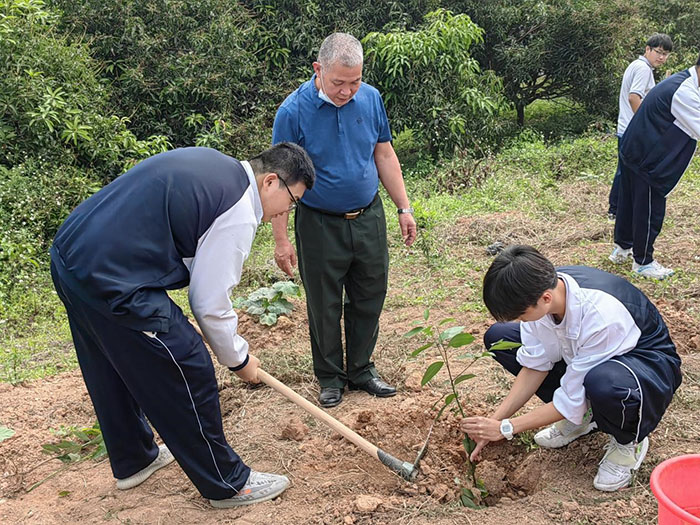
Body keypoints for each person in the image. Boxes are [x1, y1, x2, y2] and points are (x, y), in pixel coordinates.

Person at [50, 144, 315, 507]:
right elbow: (208, 303)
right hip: (112, 276)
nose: (286, 212)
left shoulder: (215, 166)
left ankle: (134, 459)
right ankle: (228, 483)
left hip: (70, 254)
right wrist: (238, 359)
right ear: (271, 181)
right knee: (187, 360)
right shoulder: (238, 210)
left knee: (111, 360)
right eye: (292, 200)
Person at [271, 32, 417, 408]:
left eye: (355, 81)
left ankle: (362, 370)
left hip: (368, 216)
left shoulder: (370, 99)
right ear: (318, 69)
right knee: (324, 303)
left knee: (370, 294)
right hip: (319, 223)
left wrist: (403, 207)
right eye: (339, 82)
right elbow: (279, 181)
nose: (347, 91)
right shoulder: (292, 112)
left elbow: (383, 153)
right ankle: (330, 377)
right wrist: (281, 239)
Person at [460, 245, 681, 492]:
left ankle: (629, 441)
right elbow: (535, 366)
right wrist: (494, 421)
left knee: (605, 384)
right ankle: (584, 419)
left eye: (521, 316)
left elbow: (570, 396)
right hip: (587, 354)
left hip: (643, 366)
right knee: (500, 338)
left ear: (545, 298)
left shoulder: (601, 316)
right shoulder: (541, 291)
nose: (521, 321)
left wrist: (506, 429)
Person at [609, 52, 700, 279]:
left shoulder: (682, 82)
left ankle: (622, 249)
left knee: (629, 203)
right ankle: (643, 262)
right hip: (649, 161)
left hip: (635, 150)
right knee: (649, 211)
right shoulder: (685, 93)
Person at [607, 33, 673, 221]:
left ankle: (617, 208)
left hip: (627, 127)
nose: (661, 57)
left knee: (625, 169)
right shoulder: (643, 69)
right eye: (659, 52)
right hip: (632, 129)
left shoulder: (637, 66)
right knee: (628, 171)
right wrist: (645, 123)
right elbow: (634, 97)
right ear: (647, 49)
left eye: (666, 54)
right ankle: (616, 209)